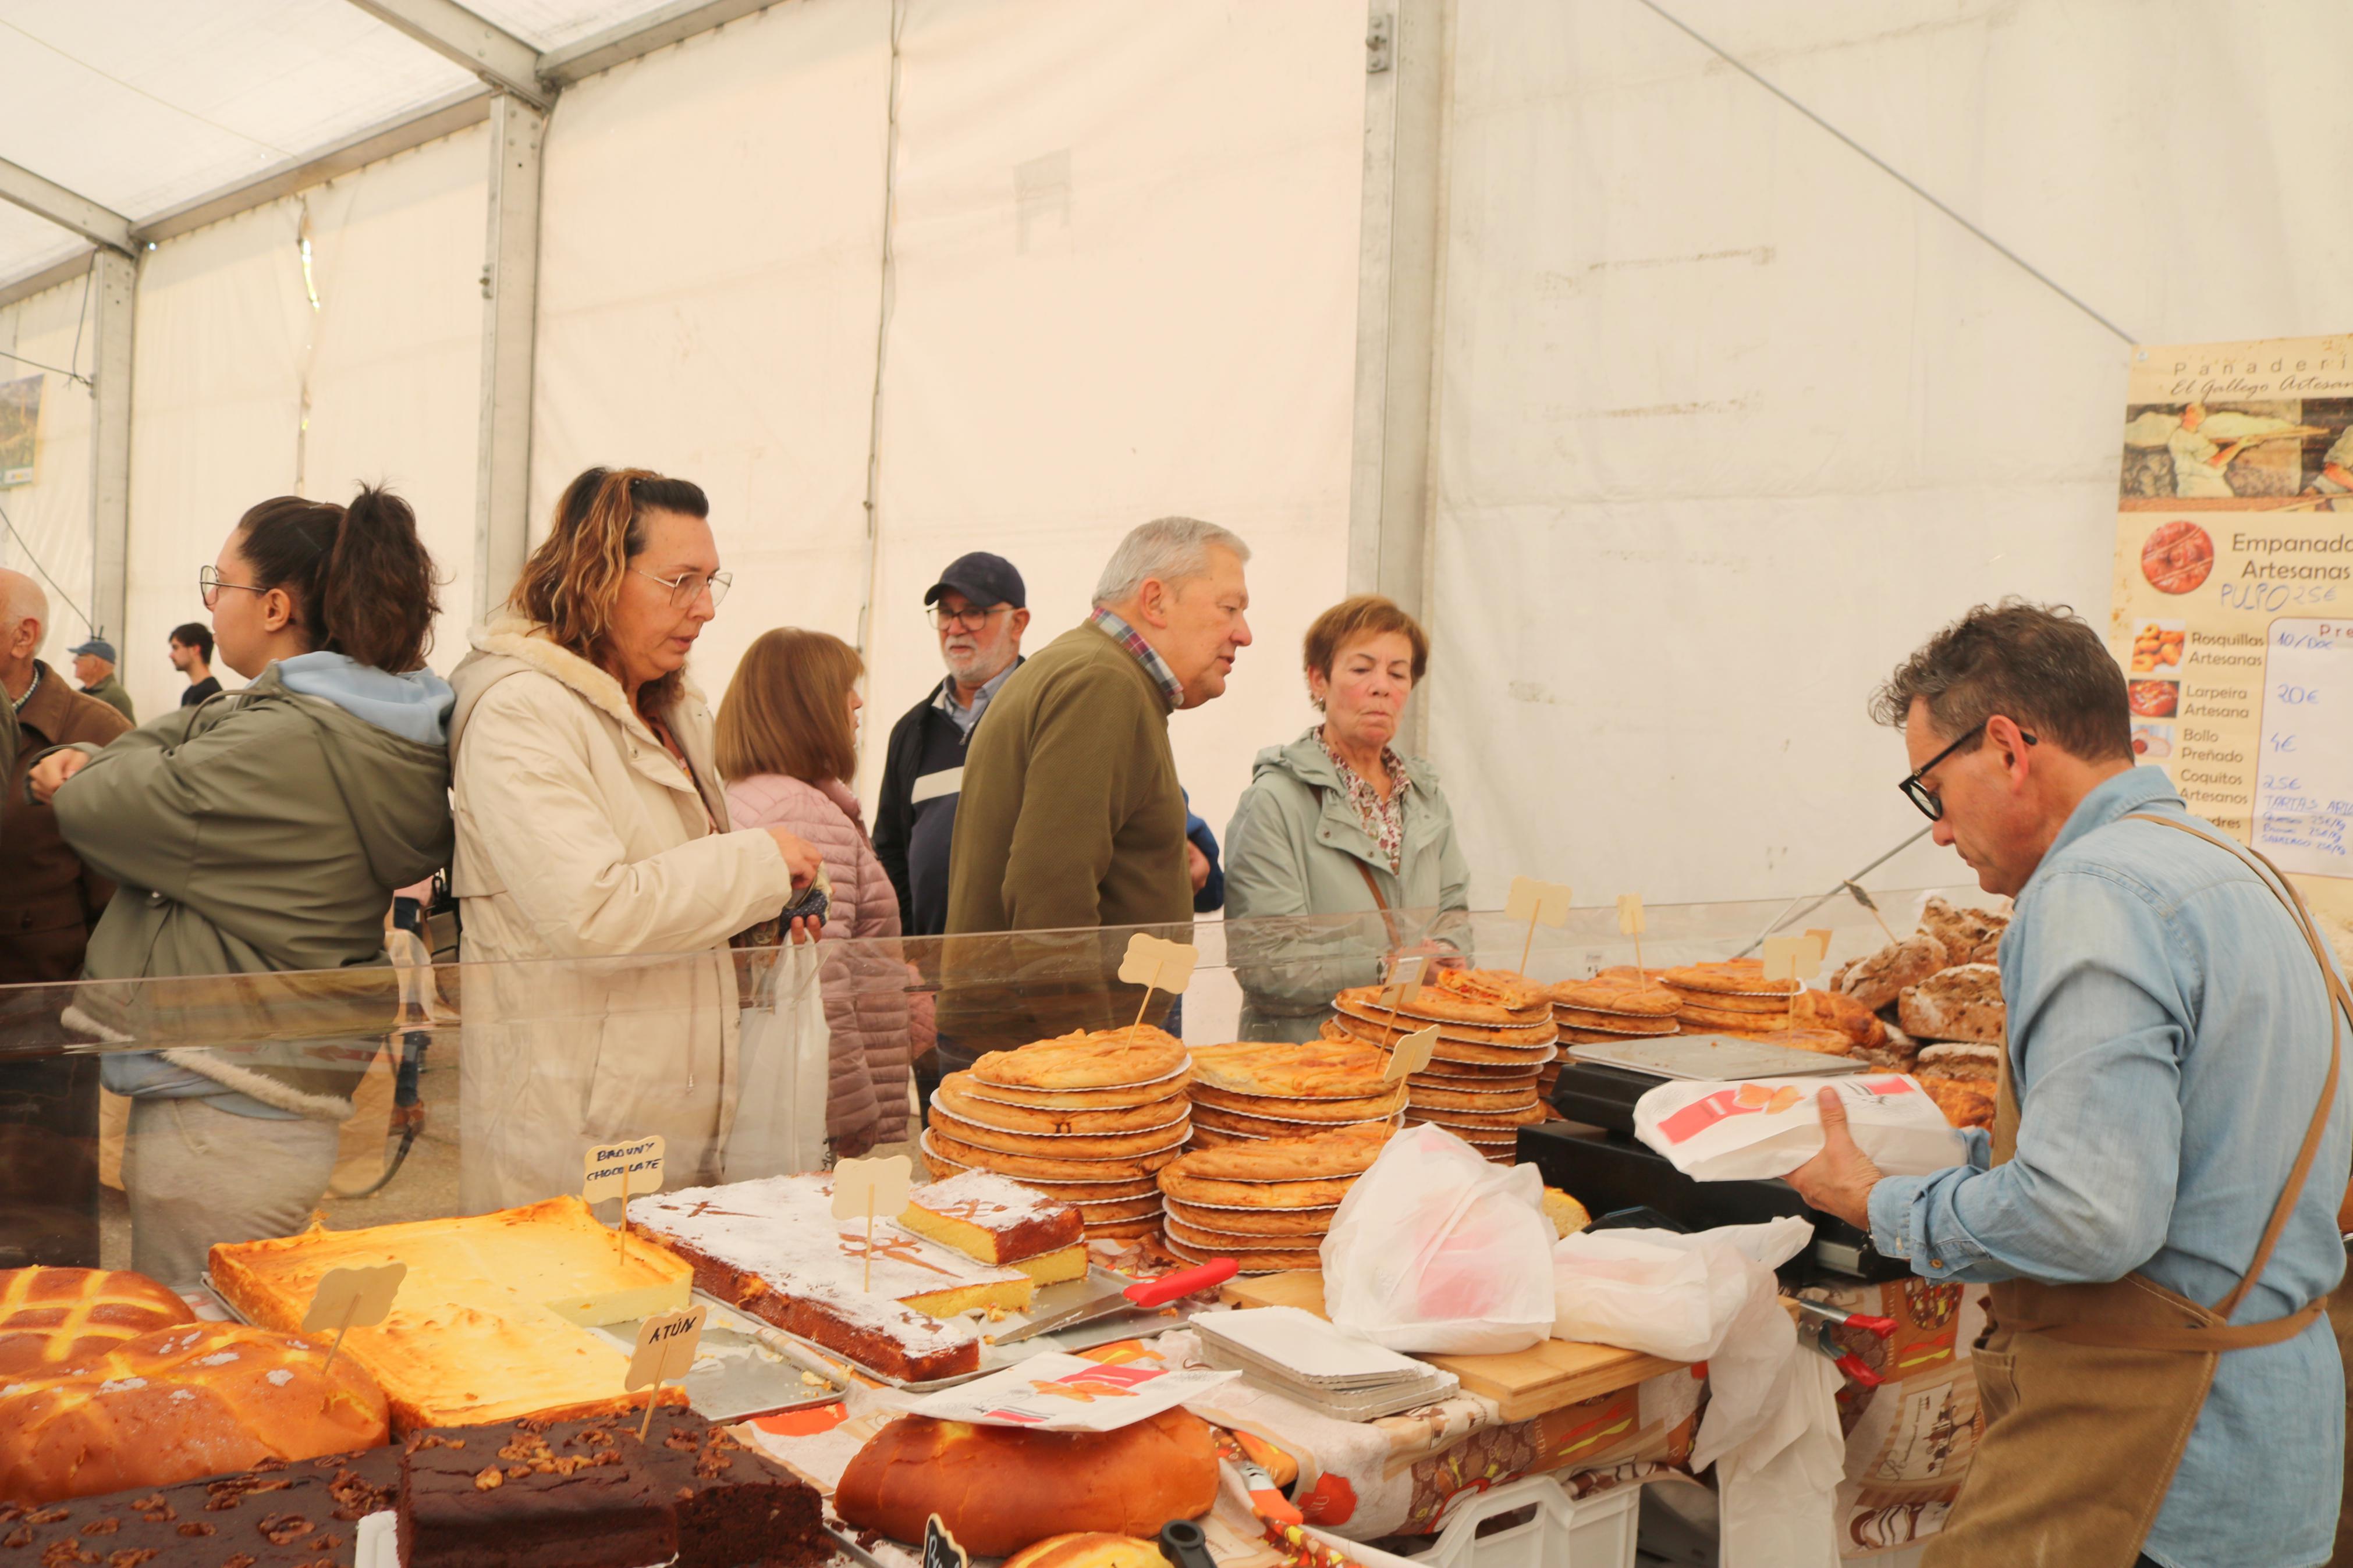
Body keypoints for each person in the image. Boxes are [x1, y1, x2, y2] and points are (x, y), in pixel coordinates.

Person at [1787, 600, 2351, 1568]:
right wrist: (1952, 1154)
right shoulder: (2243, 874)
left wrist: (1879, 1204)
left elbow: (2088, 1215)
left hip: (2147, 1465)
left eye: (1930, 791)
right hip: (2271, 1450)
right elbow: (2191, 1154)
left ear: (2005, 746)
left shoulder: (2093, 892)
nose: (1935, 835)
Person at [28, 488, 455, 1287]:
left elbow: (98, 802)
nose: (208, 602)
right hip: (265, 1089)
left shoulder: (278, 738)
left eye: (217, 583)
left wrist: (100, 764)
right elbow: (157, 754)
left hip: (223, 1106)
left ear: (274, 605)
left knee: (199, 1342)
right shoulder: (332, 724)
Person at [446, 467, 822, 1213]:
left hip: (669, 1114)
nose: (705, 608)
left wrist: (765, 910)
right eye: (680, 581)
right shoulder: (522, 712)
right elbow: (595, 913)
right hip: (572, 1132)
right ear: (596, 577)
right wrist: (756, 864)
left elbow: (675, 889)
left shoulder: (671, 711)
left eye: (712, 581)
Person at [941, 517, 1251, 1062]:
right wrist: (1095, 1058)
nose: (1243, 632)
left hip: (1041, 1046)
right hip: (1052, 1061)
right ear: (1154, 600)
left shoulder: (1093, 671)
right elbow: (1049, 896)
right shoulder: (1100, 682)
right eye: (1229, 608)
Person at [1222, 595, 1469, 1041]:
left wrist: (1448, 954)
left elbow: (1454, 910)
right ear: (1318, 680)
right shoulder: (1274, 801)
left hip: (1413, 1053)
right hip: (1309, 1068)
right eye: (1361, 669)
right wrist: (1384, 967)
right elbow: (1265, 963)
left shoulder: (1427, 798)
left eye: (1398, 673)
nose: (1382, 687)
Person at [719, 628, 922, 1160]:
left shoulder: (752, 795)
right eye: (842, 688)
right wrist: (849, 1121)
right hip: (809, 1111)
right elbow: (819, 986)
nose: (857, 702)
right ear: (803, 706)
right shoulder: (800, 811)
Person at [0, 568, 130, 1267]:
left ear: (25, 636)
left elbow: (120, 897)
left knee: (42, 1230)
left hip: (47, 1038)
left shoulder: (95, 730)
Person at [873, 552, 1030, 939]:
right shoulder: (911, 731)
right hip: (936, 975)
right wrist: (912, 956)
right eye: (946, 613)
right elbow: (891, 852)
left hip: (1026, 968)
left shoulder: (1045, 712)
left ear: (1018, 623)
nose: (956, 628)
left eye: (974, 612)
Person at [67, 637, 134, 723]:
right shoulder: (80, 693)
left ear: (95, 663)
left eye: (80, 658)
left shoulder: (116, 696)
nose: (74, 662)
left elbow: (128, 733)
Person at [169, 621, 222, 706]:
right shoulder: (189, 693)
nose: (171, 655)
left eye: (176, 648)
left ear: (195, 649)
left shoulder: (210, 694)